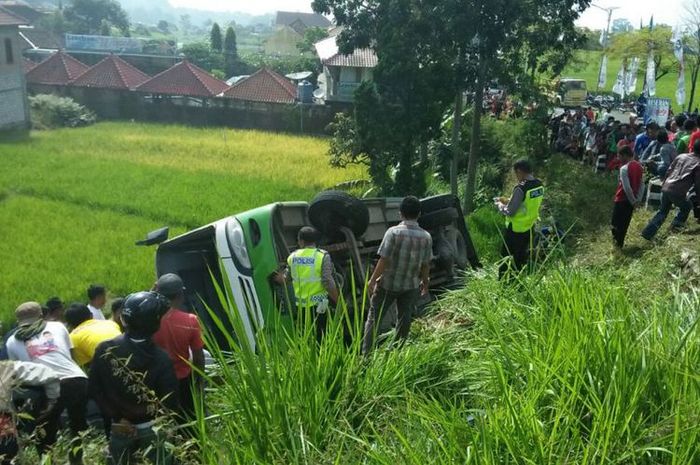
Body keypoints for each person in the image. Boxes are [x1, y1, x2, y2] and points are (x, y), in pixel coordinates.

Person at [89, 291, 179, 465]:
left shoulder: (106, 349)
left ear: (124, 318)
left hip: (119, 427)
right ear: (155, 323)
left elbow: (94, 389)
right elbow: (170, 400)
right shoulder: (161, 358)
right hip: (153, 427)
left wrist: (118, 418)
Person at [5, 302, 88, 465]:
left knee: (45, 434)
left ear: (19, 321)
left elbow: (20, 375)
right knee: (78, 426)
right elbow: (71, 355)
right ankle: (77, 460)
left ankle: (49, 460)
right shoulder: (58, 326)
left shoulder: (12, 342)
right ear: (41, 315)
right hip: (78, 379)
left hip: (49, 385)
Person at [362, 196, 432, 355]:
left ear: (400, 213)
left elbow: (384, 259)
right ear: (419, 214)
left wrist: (372, 280)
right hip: (410, 286)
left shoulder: (393, 233)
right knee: (404, 319)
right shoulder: (426, 237)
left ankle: (366, 357)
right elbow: (426, 264)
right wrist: (425, 283)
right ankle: (396, 353)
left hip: (388, 284)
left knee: (374, 319)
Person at [153, 273, 204, 422]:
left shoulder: (149, 320)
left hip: (158, 381)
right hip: (184, 381)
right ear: (181, 294)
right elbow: (198, 356)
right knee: (190, 423)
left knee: (165, 422)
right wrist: (199, 382)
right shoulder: (190, 320)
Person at [275, 226, 339, 342]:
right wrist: (338, 301)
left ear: (301, 241)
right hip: (319, 306)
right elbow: (327, 281)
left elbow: (285, 279)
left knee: (309, 339)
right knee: (323, 339)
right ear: (314, 241)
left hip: (302, 308)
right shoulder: (322, 256)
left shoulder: (293, 257)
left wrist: (276, 276)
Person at [0, 360, 60, 465]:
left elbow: (49, 374)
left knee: (9, 451)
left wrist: (51, 402)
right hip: (9, 418)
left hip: (23, 412)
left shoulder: (9, 368)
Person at [642, 139, 700, 240]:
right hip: (677, 191)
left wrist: (664, 183)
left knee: (662, 211)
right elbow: (698, 184)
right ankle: (674, 228)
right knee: (686, 206)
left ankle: (648, 232)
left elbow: (669, 170)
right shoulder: (698, 163)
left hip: (666, 186)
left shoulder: (681, 156)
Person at [496, 160, 545, 278]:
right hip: (529, 228)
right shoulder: (539, 185)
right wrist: (508, 201)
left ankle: (504, 284)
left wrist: (500, 205)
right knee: (521, 257)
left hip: (515, 230)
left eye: (515, 174)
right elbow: (525, 205)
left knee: (506, 258)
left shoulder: (520, 188)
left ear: (519, 171)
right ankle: (519, 282)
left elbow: (510, 212)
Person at [64, 303, 122, 367]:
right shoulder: (110, 323)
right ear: (91, 315)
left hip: (113, 366)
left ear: (70, 325)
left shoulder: (72, 338)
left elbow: (85, 365)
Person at [611, 146, 644, 249]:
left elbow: (626, 187)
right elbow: (642, 185)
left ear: (625, 155)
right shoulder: (640, 167)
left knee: (615, 223)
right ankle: (620, 245)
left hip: (622, 199)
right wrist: (637, 200)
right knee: (624, 224)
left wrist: (633, 201)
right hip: (631, 201)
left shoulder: (624, 168)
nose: (618, 158)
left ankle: (616, 245)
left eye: (619, 155)